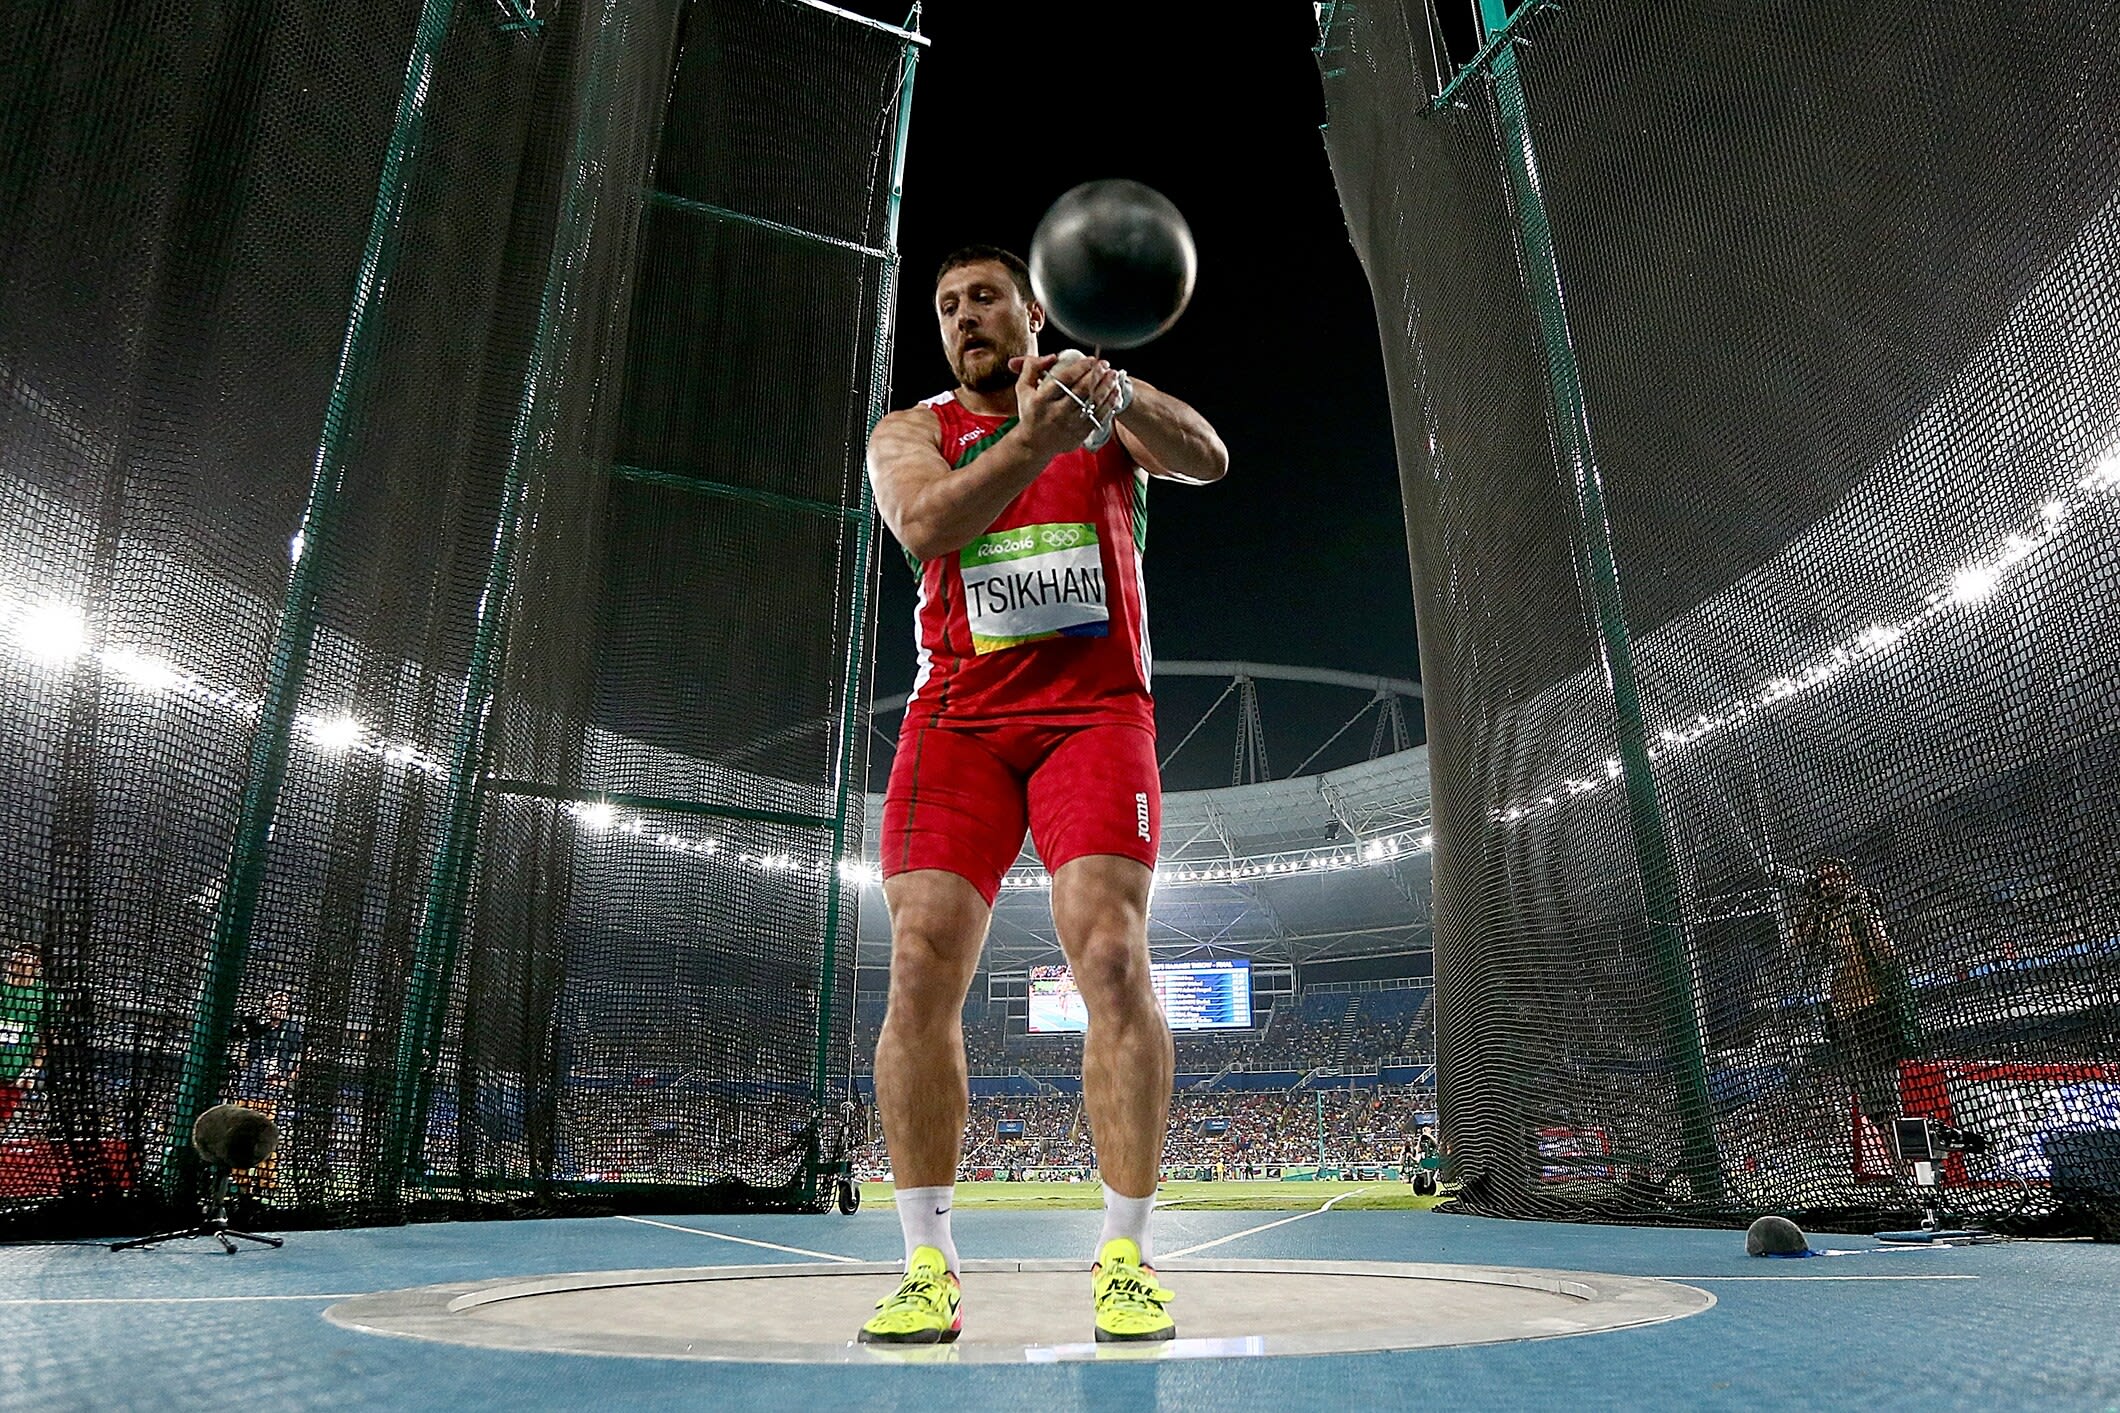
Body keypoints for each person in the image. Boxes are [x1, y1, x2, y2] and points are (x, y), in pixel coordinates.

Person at [859, 245, 1227, 1345]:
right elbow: (923, 526)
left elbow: (1207, 459)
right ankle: (927, 1263)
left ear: (1031, 310)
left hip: (1094, 714)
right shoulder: (910, 430)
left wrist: (1118, 396)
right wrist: (1032, 438)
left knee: (1110, 954)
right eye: (945, 307)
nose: (963, 318)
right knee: (919, 958)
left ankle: (1125, 1254)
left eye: (982, 299)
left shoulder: (1095, 402)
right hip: (957, 723)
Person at [1791, 859, 1924, 1150]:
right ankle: (1903, 1171)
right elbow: (1798, 939)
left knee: (1894, 1094)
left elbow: (1887, 951)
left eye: (1831, 877)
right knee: (1873, 1101)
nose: (1826, 884)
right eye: (1821, 880)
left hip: (1873, 1010)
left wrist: (1862, 909)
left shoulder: (1859, 908)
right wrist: (1813, 906)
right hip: (1844, 1015)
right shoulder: (1823, 918)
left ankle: (1920, 1171)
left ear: (1845, 878)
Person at [0, 947, 45, 1136]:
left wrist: (33, 1069)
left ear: (36, 963)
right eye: (17, 956)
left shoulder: (43, 995)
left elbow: (48, 1038)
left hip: (14, 1074)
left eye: (26, 957)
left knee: (2, 1122)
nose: (20, 961)